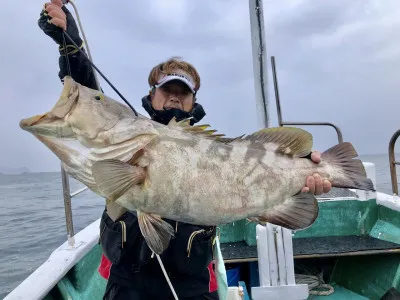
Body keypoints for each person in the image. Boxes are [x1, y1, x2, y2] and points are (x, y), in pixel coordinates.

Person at [38, 1, 332, 299]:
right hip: (127, 281)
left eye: (183, 93)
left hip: (191, 284)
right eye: (167, 91)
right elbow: (91, 100)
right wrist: (69, 44)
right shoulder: (125, 129)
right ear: (152, 95)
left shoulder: (213, 148)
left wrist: (305, 171)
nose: (175, 99)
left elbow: (261, 165)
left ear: (193, 100)